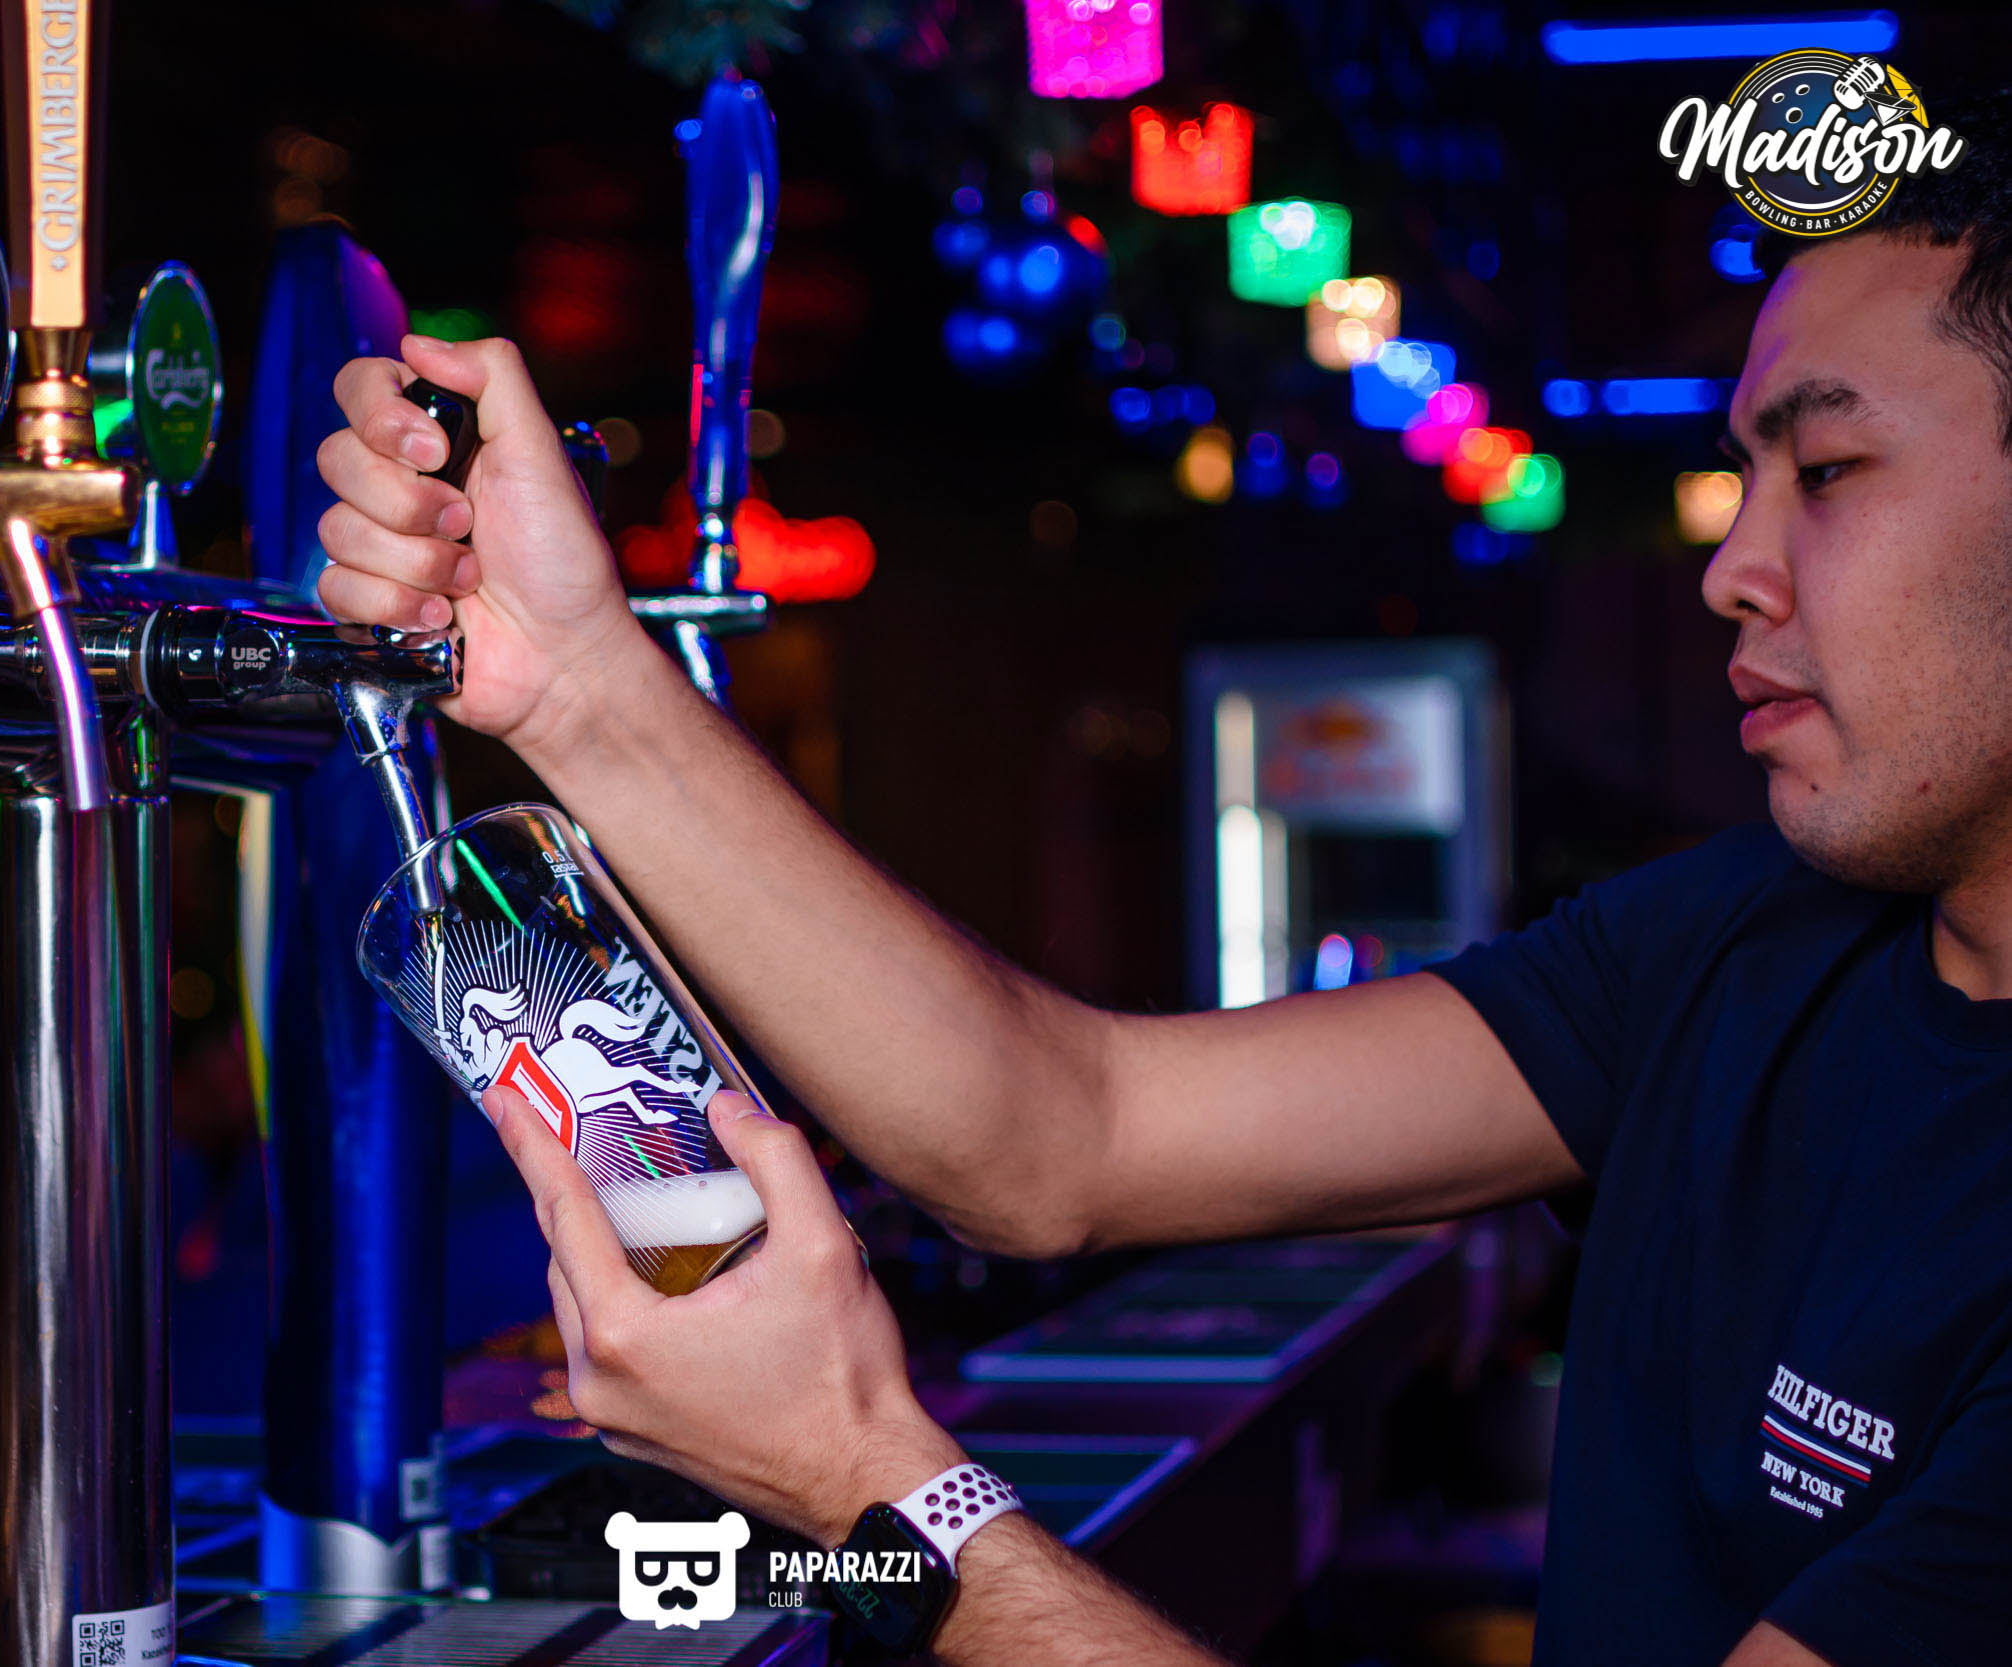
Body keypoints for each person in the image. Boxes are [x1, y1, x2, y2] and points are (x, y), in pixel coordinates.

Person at [314, 104, 2012, 1666]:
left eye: (1827, 470)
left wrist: (865, 1487)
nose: (1730, 567)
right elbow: (1063, 1134)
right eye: (1746, 478)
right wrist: (577, 684)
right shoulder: (1736, 944)